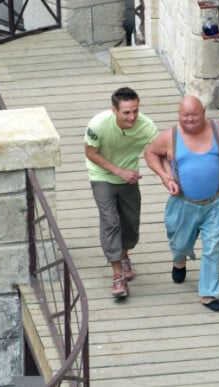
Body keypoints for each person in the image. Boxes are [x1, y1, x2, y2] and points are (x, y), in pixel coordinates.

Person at [144, 96, 219, 312]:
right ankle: (179, 261)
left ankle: (208, 294)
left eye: (194, 115)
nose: (189, 119)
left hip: (216, 203)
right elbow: (150, 152)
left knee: (213, 248)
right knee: (180, 243)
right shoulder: (169, 137)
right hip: (183, 204)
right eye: (185, 115)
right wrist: (165, 176)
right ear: (179, 115)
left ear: (204, 113)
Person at [84, 87, 158, 298]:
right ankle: (117, 275)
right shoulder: (98, 125)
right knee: (110, 221)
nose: (132, 117)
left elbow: (157, 152)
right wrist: (119, 171)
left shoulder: (147, 126)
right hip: (102, 175)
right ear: (114, 110)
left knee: (130, 222)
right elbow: (90, 152)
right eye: (126, 112)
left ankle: (124, 255)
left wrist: (167, 176)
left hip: (129, 177)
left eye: (135, 110)